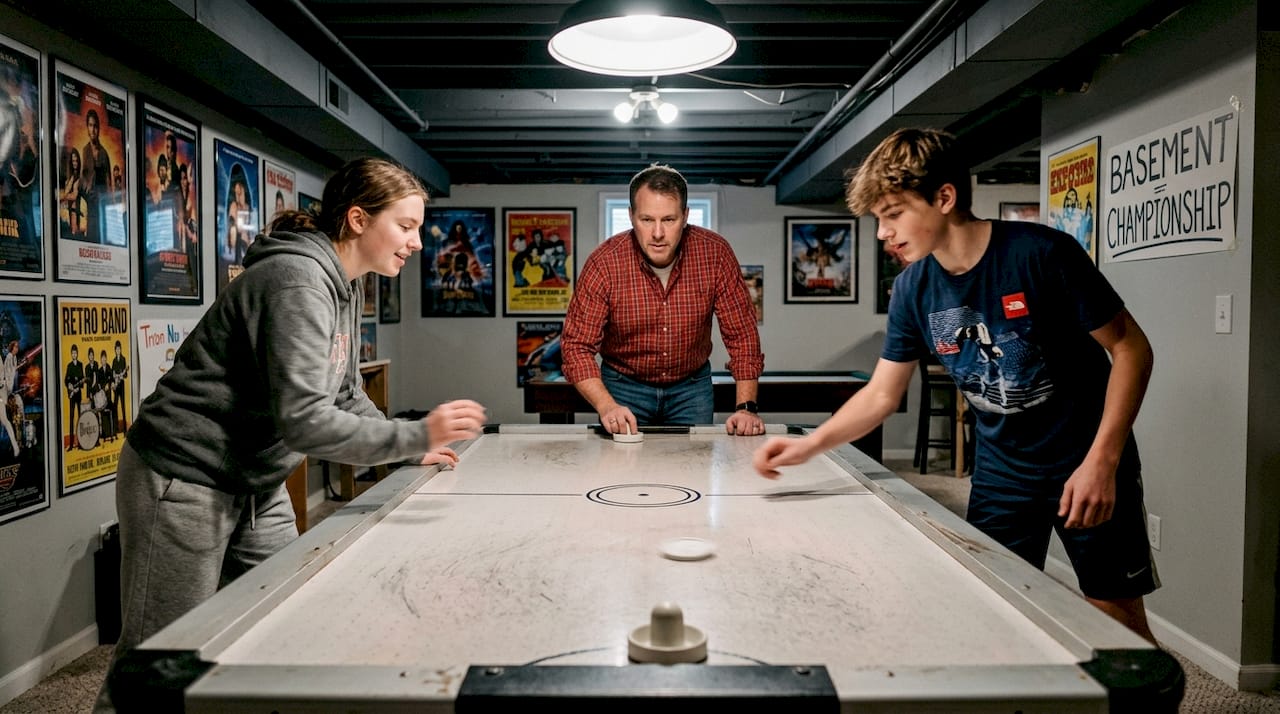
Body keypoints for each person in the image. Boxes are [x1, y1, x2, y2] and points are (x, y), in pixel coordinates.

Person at [92, 157, 487, 713]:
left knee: (282, 621)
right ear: (357, 219)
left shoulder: (343, 284)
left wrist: (403, 446)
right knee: (158, 660)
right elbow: (304, 420)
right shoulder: (297, 281)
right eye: (405, 226)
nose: (418, 242)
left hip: (257, 478)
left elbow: (344, 392)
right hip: (183, 475)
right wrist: (413, 436)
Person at [752, 127, 1159, 644]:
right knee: (997, 609)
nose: (883, 234)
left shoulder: (1042, 253)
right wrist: (809, 444)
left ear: (944, 198)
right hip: (1003, 471)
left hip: (1087, 459)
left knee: (1114, 616)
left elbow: (1131, 349)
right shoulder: (912, 288)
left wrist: (1103, 462)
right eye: (879, 219)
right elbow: (881, 394)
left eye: (894, 213)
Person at [560, 164, 764, 435]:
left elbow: (742, 336)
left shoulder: (716, 254)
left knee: (692, 471)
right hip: (622, 388)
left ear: (686, 216)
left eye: (668, 220)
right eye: (647, 220)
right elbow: (576, 347)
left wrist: (746, 408)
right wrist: (607, 406)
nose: (657, 233)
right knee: (621, 472)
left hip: (691, 388)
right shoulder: (604, 263)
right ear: (631, 216)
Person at [80, 108, 111, 243]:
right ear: (87, 127)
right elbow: (82, 173)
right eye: (90, 126)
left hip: (102, 200)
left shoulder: (104, 153)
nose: (93, 130)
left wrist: (109, 200)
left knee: (102, 234)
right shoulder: (85, 151)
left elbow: (109, 179)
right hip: (89, 200)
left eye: (95, 126)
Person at [63, 343, 84, 450]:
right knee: (71, 418)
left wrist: (78, 387)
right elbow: (66, 380)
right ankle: (71, 445)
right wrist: (70, 385)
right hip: (72, 396)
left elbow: (82, 378)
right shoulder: (69, 366)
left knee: (80, 418)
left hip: (78, 394)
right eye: (73, 353)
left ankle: (80, 444)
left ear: (77, 354)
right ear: (71, 354)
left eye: (75, 353)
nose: (74, 355)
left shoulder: (80, 364)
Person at [0, 340, 19, 457]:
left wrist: (5, 395)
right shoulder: (9, 357)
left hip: (1, 393)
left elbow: (3, 377)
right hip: (4, 391)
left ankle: (15, 447)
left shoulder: (8, 358)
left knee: (5, 421)